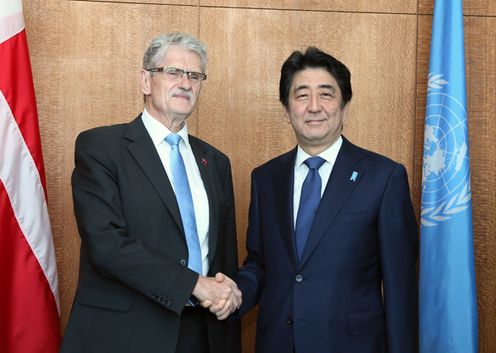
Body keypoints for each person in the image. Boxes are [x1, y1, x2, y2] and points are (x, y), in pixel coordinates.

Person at [60, 32, 241, 353]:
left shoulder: (215, 161)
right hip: (125, 334)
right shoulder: (101, 147)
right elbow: (106, 243)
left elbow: (223, 254)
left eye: (195, 75)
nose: (185, 83)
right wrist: (193, 284)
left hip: (202, 334)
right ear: (146, 81)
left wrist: (228, 294)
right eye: (173, 72)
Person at [232, 47, 419, 353]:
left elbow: (400, 288)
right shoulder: (265, 178)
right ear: (286, 108)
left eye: (326, 94)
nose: (314, 106)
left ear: (344, 107)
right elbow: (261, 263)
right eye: (302, 95)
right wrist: (235, 291)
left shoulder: (384, 177)